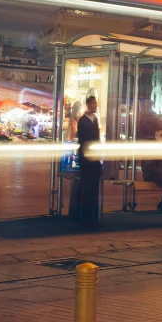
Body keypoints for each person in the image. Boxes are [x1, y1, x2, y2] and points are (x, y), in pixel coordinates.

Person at [70, 96, 101, 227]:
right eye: (93, 103)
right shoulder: (83, 121)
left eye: (96, 103)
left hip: (94, 158)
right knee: (87, 188)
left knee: (93, 188)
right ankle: (86, 218)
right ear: (88, 104)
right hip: (87, 159)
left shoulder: (95, 120)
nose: (95, 105)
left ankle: (91, 217)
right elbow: (84, 140)